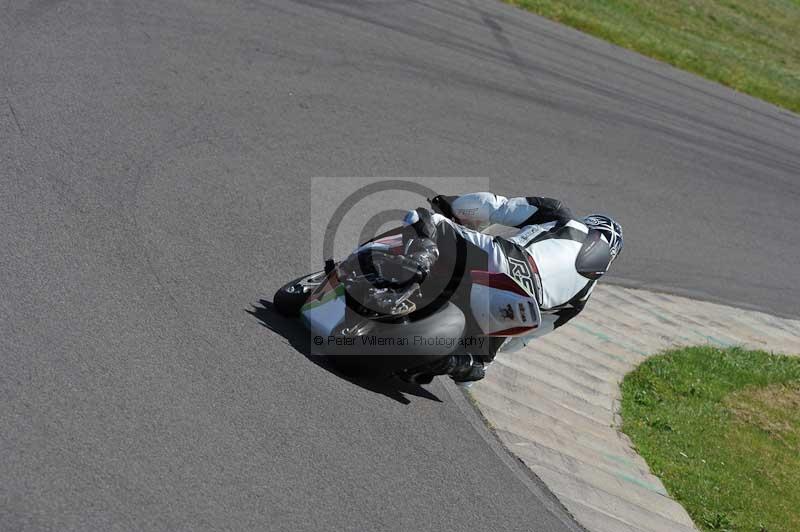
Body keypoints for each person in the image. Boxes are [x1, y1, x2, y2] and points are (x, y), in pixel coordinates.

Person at [393, 192, 623, 385]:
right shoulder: (582, 298)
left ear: (591, 224)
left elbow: (494, 206)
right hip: (520, 308)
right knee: (472, 374)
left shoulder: (563, 217)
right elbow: (521, 340)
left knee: (424, 220)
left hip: (506, 260)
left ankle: (418, 263)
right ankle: (457, 363)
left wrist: (456, 206)